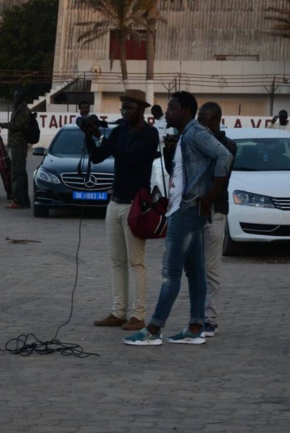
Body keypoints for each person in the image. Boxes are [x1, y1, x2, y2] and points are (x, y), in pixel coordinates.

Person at [123, 91, 233, 346]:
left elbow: (225, 156)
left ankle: (153, 330)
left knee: (170, 273)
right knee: (194, 272)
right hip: (186, 209)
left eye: (172, 108)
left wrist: (209, 196)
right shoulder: (187, 135)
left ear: (185, 111)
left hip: (187, 211)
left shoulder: (196, 132)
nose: (167, 112)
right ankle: (195, 328)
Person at [84, 89, 159, 331]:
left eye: (129, 108)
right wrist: (89, 135)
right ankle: (118, 311)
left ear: (141, 109)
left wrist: (103, 138)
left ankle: (138, 315)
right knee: (117, 261)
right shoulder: (119, 131)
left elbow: (130, 159)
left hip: (135, 204)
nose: (124, 112)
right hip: (115, 202)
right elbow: (97, 157)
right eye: (122, 108)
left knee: (135, 261)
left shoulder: (150, 134)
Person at [196, 102, 237, 337]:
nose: (202, 123)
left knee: (211, 269)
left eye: (207, 119)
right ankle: (196, 316)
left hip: (214, 212)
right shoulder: (194, 141)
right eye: (200, 119)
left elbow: (220, 174)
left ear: (218, 120)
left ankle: (210, 319)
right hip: (193, 211)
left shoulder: (227, 145)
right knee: (194, 268)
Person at [0, 88, 31, 209]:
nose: (15, 99)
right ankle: (22, 199)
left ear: (22, 98)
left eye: (17, 97)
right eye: (14, 97)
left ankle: (18, 200)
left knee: (17, 172)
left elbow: (16, 125)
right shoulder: (18, 109)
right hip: (15, 144)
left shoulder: (23, 111)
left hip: (19, 144)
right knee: (19, 172)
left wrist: (1, 124)